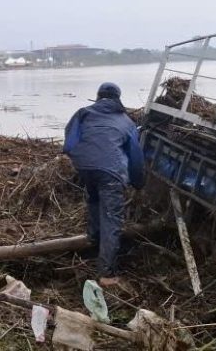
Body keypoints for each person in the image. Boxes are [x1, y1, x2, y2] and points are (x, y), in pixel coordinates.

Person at [63, 82, 145, 287]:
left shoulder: (83, 113)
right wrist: (137, 182)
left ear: (98, 96)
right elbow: (136, 157)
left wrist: (81, 159)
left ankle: (94, 245)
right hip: (110, 172)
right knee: (111, 218)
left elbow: (69, 143)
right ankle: (107, 273)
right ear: (118, 98)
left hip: (85, 167)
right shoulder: (126, 122)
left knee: (93, 201)